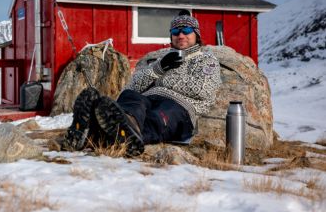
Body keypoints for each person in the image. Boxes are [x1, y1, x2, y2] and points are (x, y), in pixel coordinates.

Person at [62, 10, 221, 156]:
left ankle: (100, 134)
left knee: (157, 116)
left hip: (180, 106)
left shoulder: (206, 60)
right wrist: (158, 68)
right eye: (175, 31)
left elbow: (203, 89)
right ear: (171, 35)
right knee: (131, 97)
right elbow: (131, 86)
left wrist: (160, 78)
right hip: (149, 99)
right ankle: (114, 128)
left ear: (196, 34)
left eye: (186, 31)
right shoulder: (162, 59)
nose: (181, 35)